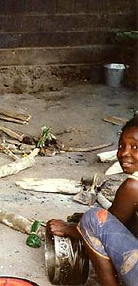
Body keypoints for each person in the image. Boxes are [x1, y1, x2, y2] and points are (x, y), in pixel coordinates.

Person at [47, 116, 138, 286]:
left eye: (136, 147)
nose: (124, 153)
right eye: (121, 146)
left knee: (92, 218)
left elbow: (103, 228)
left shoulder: (133, 187)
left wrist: (68, 229)